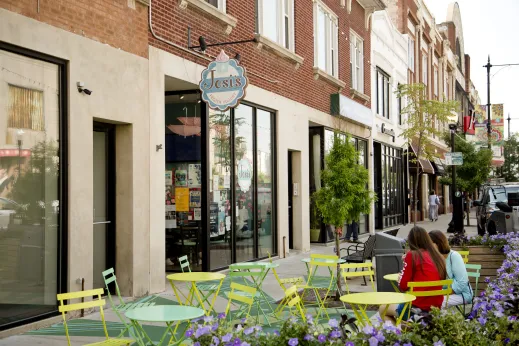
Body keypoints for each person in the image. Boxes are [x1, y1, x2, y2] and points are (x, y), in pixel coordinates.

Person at [381, 226, 447, 322]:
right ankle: (409, 330)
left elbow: (403, 286)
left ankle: (397, 334)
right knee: (404, 320)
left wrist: (400, 279)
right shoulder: (438, 256)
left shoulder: (412, 255)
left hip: (416, 309)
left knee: (383, 309)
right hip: (435, 309)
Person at [428, 230, 473, 308]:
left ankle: (435, 320)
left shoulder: (454, 256)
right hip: (441, 293)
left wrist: (443, 293)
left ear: (438, 243)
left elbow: (462, 282)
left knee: (436, 303)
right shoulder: (433, 258)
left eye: (430, 244)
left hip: (461, 294)